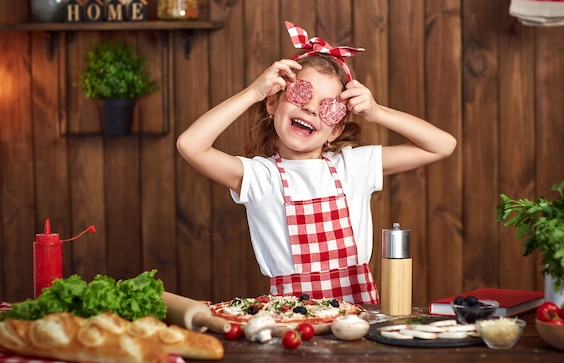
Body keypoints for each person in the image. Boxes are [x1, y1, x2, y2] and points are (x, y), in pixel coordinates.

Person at [176, 21, 457, 304]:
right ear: (273, 104)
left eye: (329, 107)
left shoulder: (354, 166)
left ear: (335, 130)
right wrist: (253, 93)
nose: (311, 108)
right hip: (292, 322)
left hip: (358, 319)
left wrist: (377, 111)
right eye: (301, 94)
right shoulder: (261, 177)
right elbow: (190, 145)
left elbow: (442, 145)